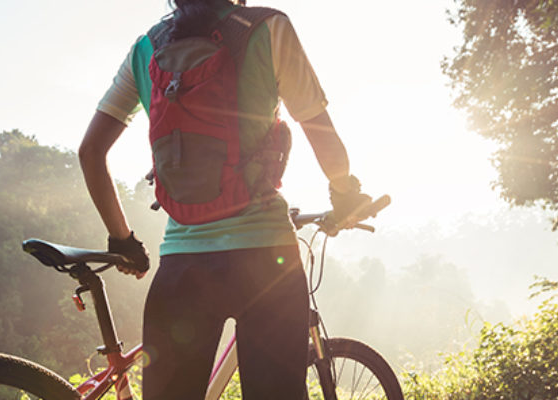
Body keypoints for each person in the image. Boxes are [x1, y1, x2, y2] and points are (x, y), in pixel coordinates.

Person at [77, 0, 370, 398]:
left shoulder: (147, 47)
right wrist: (345, 193)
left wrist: (123, 240)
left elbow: (91, 152)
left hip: (183, 266)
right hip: (267, 261)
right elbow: (319, 130)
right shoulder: (268, 28)